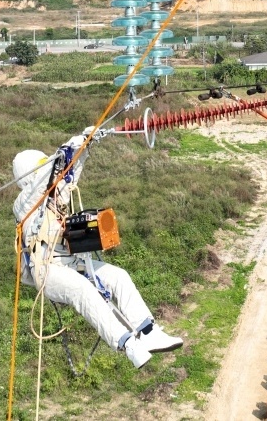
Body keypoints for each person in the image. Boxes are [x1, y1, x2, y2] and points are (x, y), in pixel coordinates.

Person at [12, 132, 183, 369]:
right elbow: (46, 177)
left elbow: (69, 175)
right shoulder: (23, 204)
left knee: (118, 276)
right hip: (47, 270)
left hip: (71, 262)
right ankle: (127, 345)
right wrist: (65, 150)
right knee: (83, 291)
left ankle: (148, 332)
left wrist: (84, 145)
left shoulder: (55, 195)